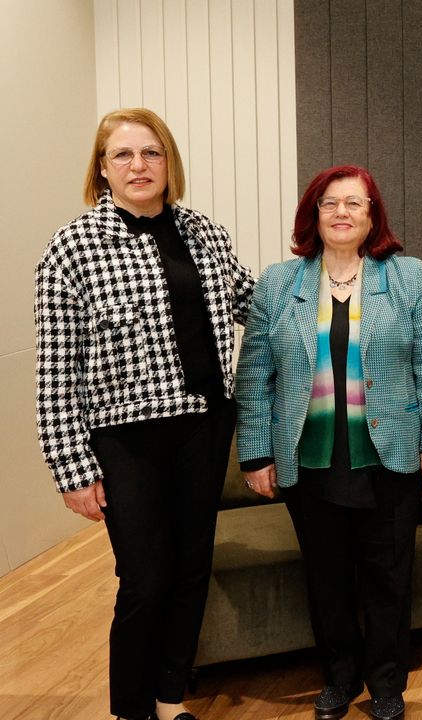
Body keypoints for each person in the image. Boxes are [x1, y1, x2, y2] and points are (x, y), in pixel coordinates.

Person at [34, 108, 255, 720]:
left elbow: (251, 301)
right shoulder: (72, 248)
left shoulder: (204, 233)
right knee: (145, 577)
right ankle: (130, 709)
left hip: (204, 426)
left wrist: (330, 278)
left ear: (168, 163)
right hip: (126, 438)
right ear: (102, 169)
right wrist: (71, 467)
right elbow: (56, 370)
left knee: (191, 569)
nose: (139, 166)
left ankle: (168, 697)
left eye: (152, 153)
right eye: (123, 155)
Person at [235, 165, 422, 720]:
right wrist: (255, 453)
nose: (341, 212)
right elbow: (254, 374)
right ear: (313, 214)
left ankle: (386, 683)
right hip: (309, 459)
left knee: (388, 576)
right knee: (325, 577)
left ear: (373, 216)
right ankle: (338, 677)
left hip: (389, 454)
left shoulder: (406, 276)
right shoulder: (278, 283)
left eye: (355, 203)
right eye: (329, 203)